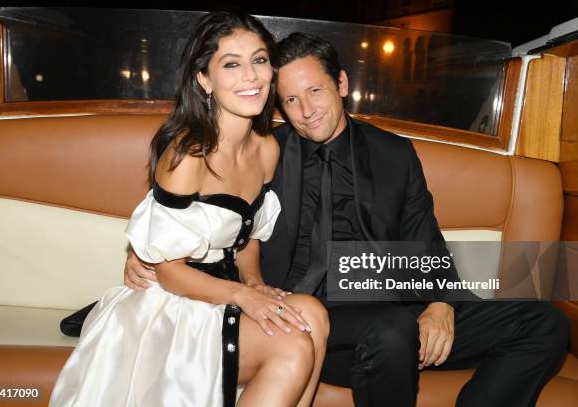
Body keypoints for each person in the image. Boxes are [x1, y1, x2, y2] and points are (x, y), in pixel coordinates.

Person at [127, 31, 570, 407]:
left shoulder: (394, 154)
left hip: (391, 302)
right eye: (291, 100)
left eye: (315, 91)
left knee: (544, 321)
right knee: (391, 328)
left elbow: (423, 238)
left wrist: (440, 304)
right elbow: (195, 213)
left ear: (341, 83)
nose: (306, 110)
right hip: (307, 316)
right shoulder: (263, 152)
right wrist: (139, 252)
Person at [51, 13, 329, 407]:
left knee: (312, 315)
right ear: (204, 79)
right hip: (174, 305)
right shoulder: (187, 155)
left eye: (260, 60)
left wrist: (254, 284)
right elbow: (167, 270)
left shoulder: (266, 149)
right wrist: (244, 297)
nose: (250, 76)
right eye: (231, 64)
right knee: (293, 345)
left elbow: (247, 236)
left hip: (223, 295)